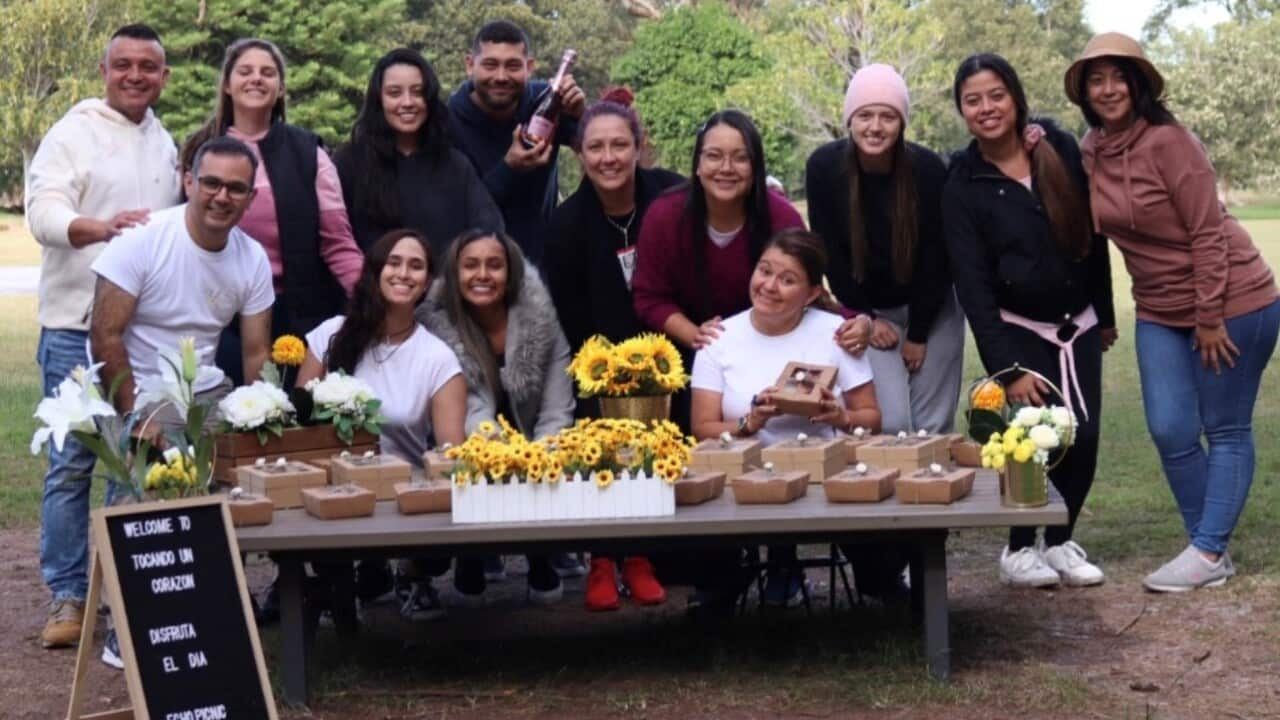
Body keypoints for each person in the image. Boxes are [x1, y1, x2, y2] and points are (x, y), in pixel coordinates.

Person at [1065, 34, 1280, 592]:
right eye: (1096, 79)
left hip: (1232, 300)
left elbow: (1208, 234)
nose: (1108, 88)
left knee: (1225, 427)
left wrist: (1209, 316)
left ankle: (1207, 553)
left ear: (1138, 84)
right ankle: (1207, 545)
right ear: (1084, 91)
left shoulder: (1171, 142)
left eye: (1119, 76)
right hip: (1159, 308)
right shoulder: (1091, 149)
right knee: (1169, 427)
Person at [25, 23, 181, 653]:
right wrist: (97, 229)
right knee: (72, 466)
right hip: (73, 327)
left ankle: (120, 593)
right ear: (104, 69)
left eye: (148, 66)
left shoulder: (165, 141)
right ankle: (66, 595)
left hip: (138, 334)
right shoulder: (73, 132)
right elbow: (41, 211)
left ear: (163, 76)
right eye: (124, 65)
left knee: (132, 463)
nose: (136, 75)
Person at [943, 54, 1116, 589]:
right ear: (962, 111)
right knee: (1038, 439)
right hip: (1020, 332)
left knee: (1084, 437)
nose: (986, 107)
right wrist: (1007, 367)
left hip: (1079, 324)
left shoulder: (1055, 147)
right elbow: (972, 289)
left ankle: (1061, 541)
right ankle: (1019, 550)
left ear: (1015, 97)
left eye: (996, 94)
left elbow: (1093, 238)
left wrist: (1105, 315)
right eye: (973, 100)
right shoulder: (962, 185)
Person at [544, 88, 683, 611]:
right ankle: (603, 557)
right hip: (597, 358)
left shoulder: (671, 197)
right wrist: (608, 372)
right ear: (580, 154)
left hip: (671, 352)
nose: (608, 158)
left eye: (619, 146)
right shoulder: (565, 224)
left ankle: (643, 555)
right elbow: (570, 316)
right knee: (599, 433)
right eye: (596, 148)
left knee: (663, 434)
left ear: (639, 147)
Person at [690, 229, 881, 606]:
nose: (769, 286)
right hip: (742, 478)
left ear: (811, 294)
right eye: (764, 271)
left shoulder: (837, 335)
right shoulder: (720, 338)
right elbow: (702, 428)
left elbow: (872, 419)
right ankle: (743, 577)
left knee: (882, 556)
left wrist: (839, 416)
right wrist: (750, 423)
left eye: (787, 279)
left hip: (824, 474)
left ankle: (878, 578)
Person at [297, 229, 467, 620]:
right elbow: (299, 425)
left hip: (399, 493)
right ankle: (340, 579)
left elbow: (451, 454)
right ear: (374, 270)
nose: (403, 273)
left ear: (427, 283)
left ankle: (412, 572)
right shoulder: (330, 335)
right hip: (330, 486)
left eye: (416, 266)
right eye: (394, 262)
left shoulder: (437, 359)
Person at [180, 38, 363, 384]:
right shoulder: (197, 149)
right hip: (217, 315)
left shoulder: (309, 154)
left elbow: (338, 243)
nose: (256, 79)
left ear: (280, 89)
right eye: (245, 71)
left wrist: (374, 301)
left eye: (267, 73)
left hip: (296, 317)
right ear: (227, 84)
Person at [417, 230, 576, 605]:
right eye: (470, 265)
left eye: (494, 265)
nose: (482, 275)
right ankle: (471, 554)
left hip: (533, 430)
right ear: (455, 274)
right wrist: (501, 456)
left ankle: (540, 554)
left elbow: (557, 406)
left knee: (553, 453)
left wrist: (539, 457)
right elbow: (468, 409)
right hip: (470, 432)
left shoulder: (541, 317)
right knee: (466, 455)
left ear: (512, 272)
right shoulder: (438, 326)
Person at [806, 64, 964, 436]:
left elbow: (938, 259)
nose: (875, 127)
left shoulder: (927, 169)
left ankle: (932, 489)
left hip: (933, 308)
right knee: (890, 424)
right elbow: (831, 253)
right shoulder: (824, 168)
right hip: (870, 312)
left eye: (887, 116)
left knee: (932, 425)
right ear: (849, 119)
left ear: (901, 122)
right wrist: (865, 316)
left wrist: (919, 333)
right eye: (865, 115)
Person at [630, 109, 808, 431]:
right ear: (698, 164)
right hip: (687, 355)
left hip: (770, 345)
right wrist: (696, 334)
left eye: (740, 158)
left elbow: (806, 290)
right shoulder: (665, 215)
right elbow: (648, 297)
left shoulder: (782, 219)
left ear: (756, 167)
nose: (726, 168)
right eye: (714, 156)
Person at [91, 136, 273, 426]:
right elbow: (104, 336)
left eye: (236, 188)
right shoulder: (140, 240)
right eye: (212, 183)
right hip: (142, 392)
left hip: (209, 391)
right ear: (189, 183)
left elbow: (256, 353)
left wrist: (260, 418)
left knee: (238, 468)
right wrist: (134, 417)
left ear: (251, 198)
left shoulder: (253, 258)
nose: (223, 197)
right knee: (162, 471)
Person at [334, 48, 503, 259]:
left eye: (417, 92)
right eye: (394, 93)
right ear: (379, 100)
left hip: (444, 289)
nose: (407, 102)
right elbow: (335, 243)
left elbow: (488, 230)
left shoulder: (454, 164)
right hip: (370, 288)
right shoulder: (348, 163)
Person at [447, 20, 586, 265]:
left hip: (543, 262)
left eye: (512, 66)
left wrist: (582, 115)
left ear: (529, 67)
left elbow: (600, 153)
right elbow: (459, 212)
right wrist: (509, 168)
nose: (501, 77)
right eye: (490, 65)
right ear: (470, 65)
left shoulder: (548, 102)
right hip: (476, 264)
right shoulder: (447, 124)